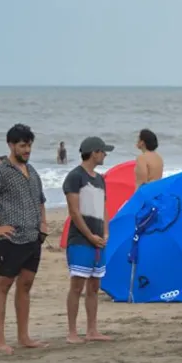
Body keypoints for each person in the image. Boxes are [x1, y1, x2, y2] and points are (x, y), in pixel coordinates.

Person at [0, 124, 49, 354]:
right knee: (3, 285)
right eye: (23, 145)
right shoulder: (0, 171)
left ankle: (24, 337)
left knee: (26, 285)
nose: (27, 150)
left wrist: (43, 223)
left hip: (33, 238)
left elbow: (41, 199)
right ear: (11, 145)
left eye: (29, 145)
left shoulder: (32, 171)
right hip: (10, 239)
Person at [63, 137, 114, 345]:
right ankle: (72, 331)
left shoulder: (100, 179)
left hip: (98, 238)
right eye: (103, 151)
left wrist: (105, 232)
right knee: (77, 285)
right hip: (80, 239)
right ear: (94, 152)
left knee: (94, 285)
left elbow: (103, 208)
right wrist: (89, 235)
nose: (105, 155)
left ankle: (92, 329)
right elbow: (74, 212)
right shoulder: (75, 177)